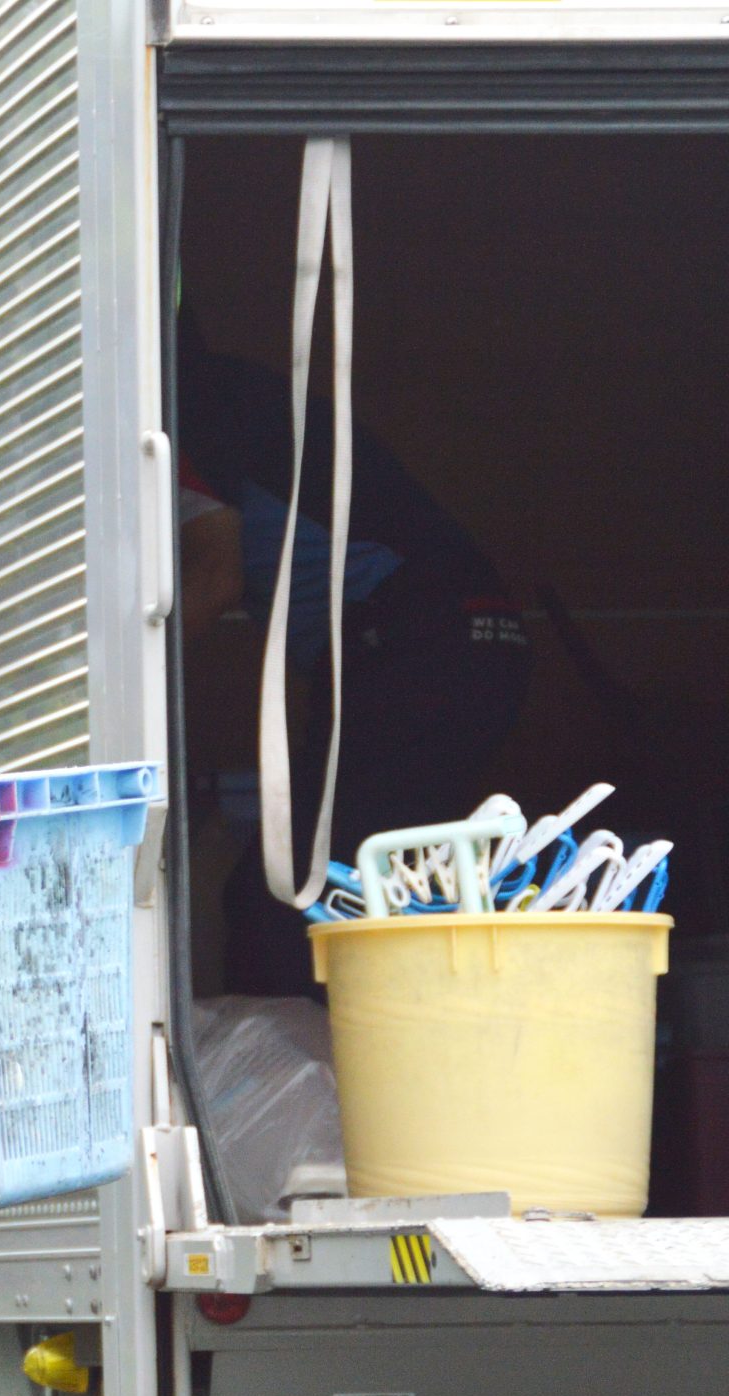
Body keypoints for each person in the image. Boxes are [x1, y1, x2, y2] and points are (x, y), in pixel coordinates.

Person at [175, 329, 532, 994]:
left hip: (412, 645)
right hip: (458, 645)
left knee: (290, 899)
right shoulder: (230, 390)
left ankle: (307, 1085)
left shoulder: (181, 403)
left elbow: (215, 574)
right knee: (377, 882)